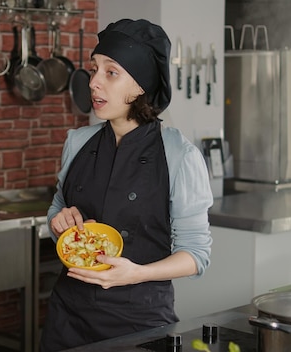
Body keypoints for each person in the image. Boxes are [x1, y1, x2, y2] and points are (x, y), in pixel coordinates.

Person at [39, 18, 214, 351]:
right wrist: (58, 222)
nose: (94, 83)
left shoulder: (180, 155)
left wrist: (135, 273)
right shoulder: (78, 142)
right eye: (94, 69)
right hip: (67, 318)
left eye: (111, 72)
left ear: (141, 85)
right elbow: (58, 209)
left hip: (138, 322)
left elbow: (196, 255)